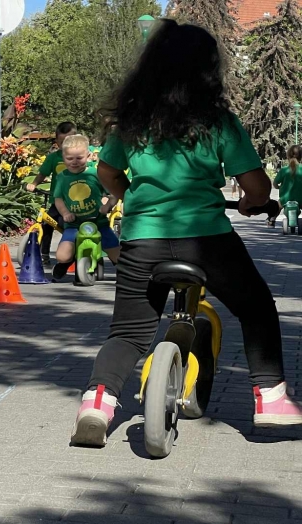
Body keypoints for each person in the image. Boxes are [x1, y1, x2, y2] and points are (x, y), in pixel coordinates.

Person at [70, 20, 302, 448]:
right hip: (207, 240)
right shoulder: (218, 122)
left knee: (128, 333)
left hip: (143, 240)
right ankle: (271, 397)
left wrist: (132, 198)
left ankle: (96, 404)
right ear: (208, 71)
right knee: (256, 308)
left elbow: (107, 171)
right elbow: (256, 187)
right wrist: (252, 203)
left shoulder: (134, 123)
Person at [50, 134, 121, 281]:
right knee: (62, 256)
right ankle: (67, 262)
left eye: (79, 158)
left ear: (88, 156)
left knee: (118, 255)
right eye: (70, 158)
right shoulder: (62, 177)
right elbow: (58, 199)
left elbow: (114, 193)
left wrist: (108, 205)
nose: (74, 162)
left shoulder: (95, 174)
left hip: (99, 222)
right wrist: (65, 213)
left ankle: (124, 272)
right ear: (63, 157)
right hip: (74, 224)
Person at [27, 122, 78, 264]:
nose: (65, 146)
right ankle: (44, 254)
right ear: (57, 142)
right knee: (47, 224)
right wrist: (34, 184)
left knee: (67, 226)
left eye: (69, 141)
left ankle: (70, 253)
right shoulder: (54, 158)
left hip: (74, 201)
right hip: (57, 200)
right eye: (62, 142)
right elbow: (43, 173)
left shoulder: (78, 158)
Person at [275, 145, 302, 225]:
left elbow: (275, 183)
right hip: (301, 199)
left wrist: (279, 187)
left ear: (288, 156)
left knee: (277, 207)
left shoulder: (284, 170)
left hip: (285, 199)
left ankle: (272, 220)